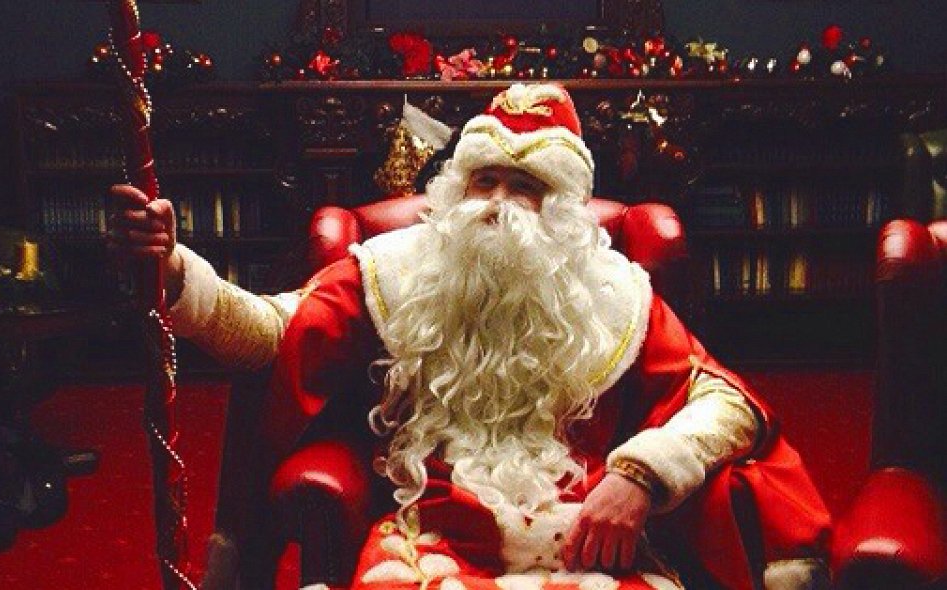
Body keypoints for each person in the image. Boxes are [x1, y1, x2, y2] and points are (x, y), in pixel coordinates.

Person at [109, 83, 831, 589]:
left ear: (563, 212)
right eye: (484, 182)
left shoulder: (614, 294)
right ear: (456, 188)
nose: (498, 206)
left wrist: (642, 472)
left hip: (589, 547)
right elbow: (273, 332)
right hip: (431, 540)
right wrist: (174, 270)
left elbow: (724, 402)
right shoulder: (399, 269)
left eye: (525, 189)